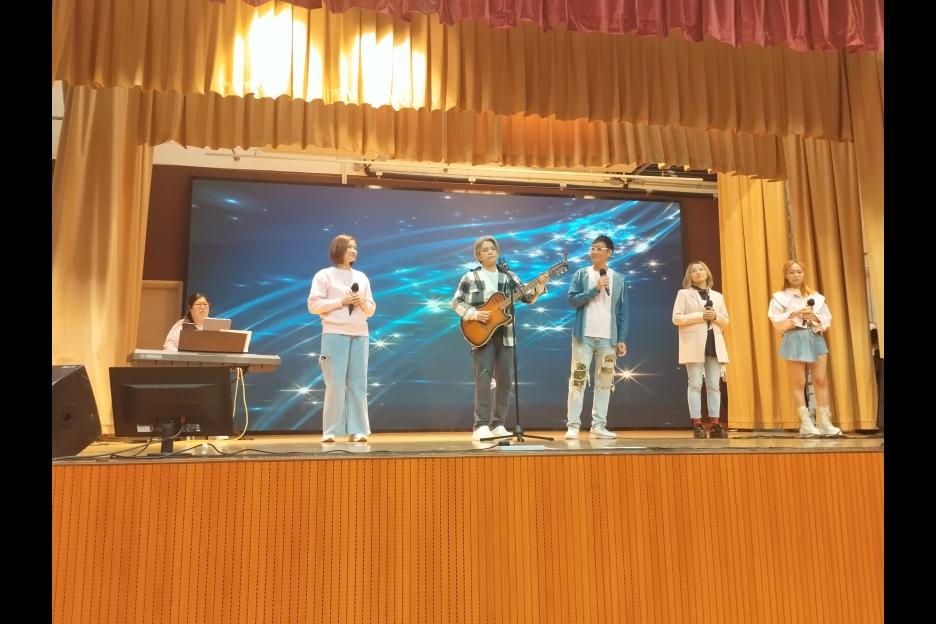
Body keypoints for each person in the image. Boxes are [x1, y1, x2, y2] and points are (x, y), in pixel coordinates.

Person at [451, 236, 548, 440]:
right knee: (484, 379)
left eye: (493, 248)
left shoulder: (508, 276)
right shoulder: (470, 277)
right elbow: (456, 302)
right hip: (481, 334)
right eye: (485, 250)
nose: (490, 252)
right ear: (478, 255)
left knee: (505, 380)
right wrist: (474, 314)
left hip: (506, 333)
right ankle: (481, 425)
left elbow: (527, 297)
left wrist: (539, 286)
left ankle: (498, 423)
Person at [307, 235, 377, 443]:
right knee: (335, 383)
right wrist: (342, 301)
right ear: (338, 250)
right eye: (349, 247)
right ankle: (331, 430)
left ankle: (358, 429)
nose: (354, 251)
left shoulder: (362, 277)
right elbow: (313, 305)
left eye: (355, 247)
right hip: (334, 333)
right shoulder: (324, 275)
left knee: (358, 383)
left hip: (360, 334)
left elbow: (371, 310)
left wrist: (361, 301)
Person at [564, 235, 629, 440]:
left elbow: (623, 312)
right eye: (592, 248)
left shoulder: (618, 279)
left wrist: (621, 338)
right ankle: (573, 425)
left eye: (599, 248)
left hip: (608, 339)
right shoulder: (581, 274)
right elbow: (572, 300)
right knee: (578, 379)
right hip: (584, 337)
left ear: (609, 252)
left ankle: (598, 425)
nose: (594, 251)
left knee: (605, 382)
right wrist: (595, 289)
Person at [768, 260, 841, 437]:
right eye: (792, 272)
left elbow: (826, 319)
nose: (796, 275)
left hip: (815, 336)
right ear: (785, 275)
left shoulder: (815, 296)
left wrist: (813, 316)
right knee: (799, 382)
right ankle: (806, 423)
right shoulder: (779, 297)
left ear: (804, 273)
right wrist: (795, 313)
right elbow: (775, 319)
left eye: (799, 272)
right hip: (794, 337)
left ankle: (825, 422)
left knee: (820, 379)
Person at [672, 261, 730, 438]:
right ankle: (697, 423)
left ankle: (715, 423)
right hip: (693, 343)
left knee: (714, 385)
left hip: (714, 342)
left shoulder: (717, 296)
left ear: (707, 272)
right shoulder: (683, 294)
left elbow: (725, 321)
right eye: (694, 270)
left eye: (701, 269)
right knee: (695, 384)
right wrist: (700, 316)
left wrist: (716, 316)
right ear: (689, 276)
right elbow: (676, 318)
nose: (698, 272)